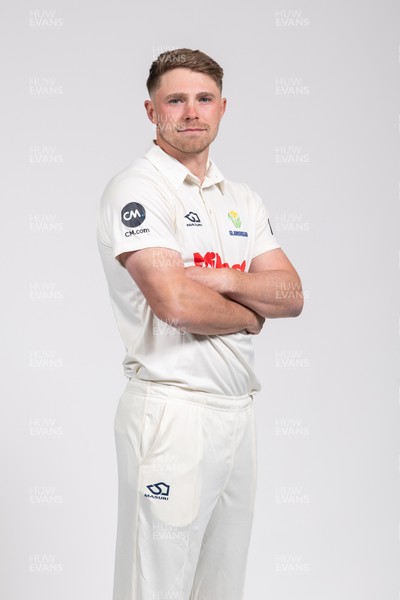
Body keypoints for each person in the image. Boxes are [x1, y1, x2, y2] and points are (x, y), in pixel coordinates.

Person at [97, 47, 303, 600]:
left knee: (220, 588)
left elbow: (291, 293)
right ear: (151, 111)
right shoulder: (138, 188)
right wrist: (250, 316)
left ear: (222, 107)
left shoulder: (241, 199)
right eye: (176, 100)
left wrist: (216, 279)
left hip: (237, 414)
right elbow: (174, 304)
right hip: (172, 410)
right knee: (157, 586)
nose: (191, 111)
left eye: (203, 98)